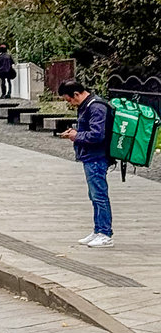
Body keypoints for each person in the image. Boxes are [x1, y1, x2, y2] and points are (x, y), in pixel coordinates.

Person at [58, 79, 114, 247]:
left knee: (99, 195)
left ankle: (105, 233)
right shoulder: (87, 106)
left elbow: (97, 135)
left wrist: (76, 136)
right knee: (94, 195)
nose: (70, 104)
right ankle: (98, 230)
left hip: (97, 156)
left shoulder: (96, 107)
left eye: (69, 100)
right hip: (90, 156)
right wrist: (75, 133)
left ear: (76, 94)